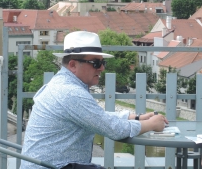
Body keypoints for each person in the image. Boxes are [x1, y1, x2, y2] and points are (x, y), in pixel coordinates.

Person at [21, 31, 168, 169]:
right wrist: (151, 124)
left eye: (103, 63)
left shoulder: (62, 84)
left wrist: (135, 117)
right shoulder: (71, 93)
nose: (102, 68)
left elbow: (97, 117)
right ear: (73, 65)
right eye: (96, 63)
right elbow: (113, 129)